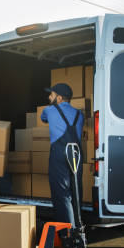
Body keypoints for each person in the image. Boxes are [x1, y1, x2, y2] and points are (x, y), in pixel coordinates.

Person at [40, 83, 84, 227]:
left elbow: (43, 118)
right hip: (76, 154)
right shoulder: (80, 115)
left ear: (59, 98)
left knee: (62, 194)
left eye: (51, 95)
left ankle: (68, 234)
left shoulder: (49, 110)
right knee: (76, 192)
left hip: (60, 154)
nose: (49, 97)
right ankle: (78, 229)